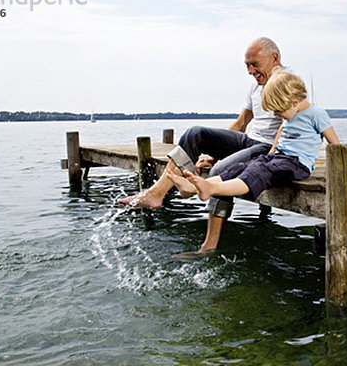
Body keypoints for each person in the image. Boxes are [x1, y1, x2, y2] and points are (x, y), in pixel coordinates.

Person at [118, 37, 286, 251]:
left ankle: (209, 245)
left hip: (268, 149)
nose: (250, 71)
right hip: (250, 142)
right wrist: (216, 152)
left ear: (274, 58)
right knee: (194, 133)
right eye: (247, 65)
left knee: (220, 170)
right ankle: (157, 193)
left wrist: (270, 157)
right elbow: (241, 122)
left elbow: (288, 125)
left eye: (255, 64)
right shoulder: (256, 87)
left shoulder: (287, 82)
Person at [166, 70, 340, 250]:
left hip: (297, 164)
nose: (276, 114)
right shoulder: (290, 112)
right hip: (278, 157)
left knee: (258, 172)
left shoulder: (316, 114)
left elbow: (335, 144)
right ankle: (194, 188)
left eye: (278, 111)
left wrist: (332, 170)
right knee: (243, 166)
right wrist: (270, 154)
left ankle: (211, 188)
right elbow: (280, 136)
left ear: (295, 102)